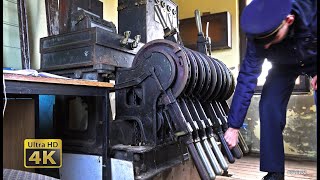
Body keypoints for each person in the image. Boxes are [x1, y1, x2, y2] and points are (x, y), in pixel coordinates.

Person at [223, 0, 317, 179]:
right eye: (261, 42)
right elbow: (247, 79)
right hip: (282, 66)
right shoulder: (258, 37)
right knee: (268, 105)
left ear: (288, 20)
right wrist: (233, 127)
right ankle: (274, 172)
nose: (265, 47)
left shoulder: (311, 10)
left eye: (270, 40)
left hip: (314, 58)